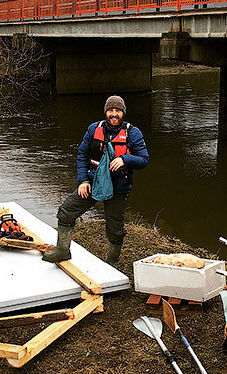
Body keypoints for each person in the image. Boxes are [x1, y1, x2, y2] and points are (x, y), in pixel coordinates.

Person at [43, 95, 149, 268]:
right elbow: (82, 155)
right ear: (105, 112)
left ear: (123, 113)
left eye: (118, 111)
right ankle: (63, 250)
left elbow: (144, 160)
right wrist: (83, 180)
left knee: (115, 229)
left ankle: (112, 261)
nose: (114, 114)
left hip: (118, 187)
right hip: (93, 182)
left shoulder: (133, 132)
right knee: (66, 211)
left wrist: (125, 159)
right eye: (110, 110)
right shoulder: (94, 129)